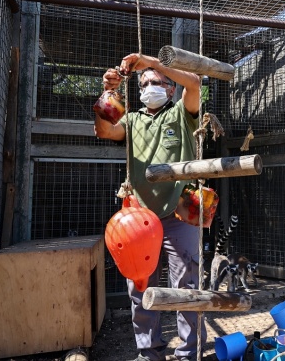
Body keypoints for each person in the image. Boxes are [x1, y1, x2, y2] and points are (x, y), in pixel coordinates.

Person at [95, 53, 205, 361]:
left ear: (170, 89)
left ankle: (187, 353)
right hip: (139, 218)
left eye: (156, 82)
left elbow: (195, 83)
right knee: (140, 288)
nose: (148, 86)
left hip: (178, 213)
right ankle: (149, 352)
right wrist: (107, 92)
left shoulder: (182, 113)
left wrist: (151, 62)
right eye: (143, 83)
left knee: (186, 286)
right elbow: (104, 131)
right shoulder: (131, 119)